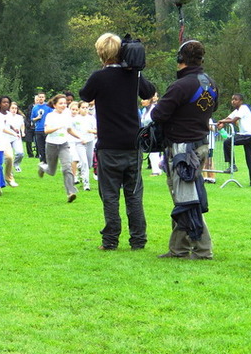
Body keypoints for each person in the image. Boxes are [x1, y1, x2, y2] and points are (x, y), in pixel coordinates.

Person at [79, 32, 156, 251]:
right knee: (133, 194)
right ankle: (138, 239)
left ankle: (110, 239)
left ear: (101, 53)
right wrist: (135, 70)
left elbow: (85, 95)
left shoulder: (98, 77)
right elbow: (149, 92)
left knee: (110, 194)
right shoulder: (132, 76)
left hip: (109, 145)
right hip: (132, 144)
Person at [151, 39, 219, 260]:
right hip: (200, 144)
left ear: (180, 59)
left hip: (182, 148)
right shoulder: (211, 84)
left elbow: (158, 114)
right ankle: (179, 249)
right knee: (184, 196)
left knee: (186, 200)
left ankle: (203, 249)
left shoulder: (181, 86)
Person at [38, 94, 79, 203]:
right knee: (51, 171)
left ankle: (70, 192)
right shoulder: (50, 116)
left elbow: (69, 130)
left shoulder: (67, 116)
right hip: (51, 145)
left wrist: (79, 137)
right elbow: (46, 131)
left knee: (67, 168)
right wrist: (57, 127)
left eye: (65, 103)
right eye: (60, 103)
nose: (63, 105)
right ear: (55, 105)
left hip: (63, 144)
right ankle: (42, 167)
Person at [218, 94, 251, 187]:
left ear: (241, 101)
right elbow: (229, 118)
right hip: (249, 135)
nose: (233, 101)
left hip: (249, 135)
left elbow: (233, 120)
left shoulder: (243, 108)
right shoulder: (237, 110)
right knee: (250, 159)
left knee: (228, 142)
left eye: (236, 99)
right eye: (232, 99)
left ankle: (232, 165)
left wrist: (221, 121)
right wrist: (222, 123)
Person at [140, 93, 163, 176]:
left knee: (154, 152)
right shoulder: (144, 110)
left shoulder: (154, 109)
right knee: (150, 152)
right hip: (147, 133)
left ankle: (156, 170)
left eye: (144, 99)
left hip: (154, 132)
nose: (142, 101)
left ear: (149, 100)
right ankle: (157, 168)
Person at [31, 92, 53, 164]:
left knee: (47, 146)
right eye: (39, 97)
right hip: (38, 129)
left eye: (42, 97)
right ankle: (42, 160)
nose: (41, 98)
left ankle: (48, 160)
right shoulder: (35, 108)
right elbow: (32, 119)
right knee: (40, 147)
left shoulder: (48, 107)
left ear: (44, 98)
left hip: (46, 129)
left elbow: (52, 116)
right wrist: (37, 118)